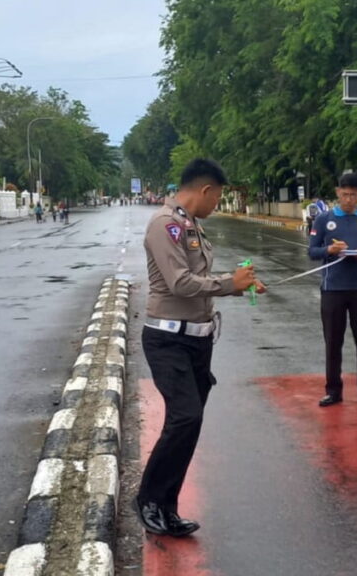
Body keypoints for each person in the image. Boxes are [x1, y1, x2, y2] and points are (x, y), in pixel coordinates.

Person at [136, 158, 266, 537]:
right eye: (219, 197)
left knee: (189, 426)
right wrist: (230, 283)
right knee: (185, 418)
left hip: (196, 340)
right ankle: (148, 500)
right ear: (206, 190)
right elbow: (180, 283)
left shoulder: (191, 226)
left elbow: (202, 280)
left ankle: (167, 507)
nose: (218, 204)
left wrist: (240, 286)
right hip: (167, 339)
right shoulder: (166, 225)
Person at [307, 171, 357, 408]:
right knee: (333, 342)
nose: (348, 199)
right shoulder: (324, 220)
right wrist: (329, 250)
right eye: (344, 194)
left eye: (353, 195)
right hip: (333, 290)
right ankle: (333, 390)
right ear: (337, 192)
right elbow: (312, 252)